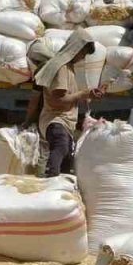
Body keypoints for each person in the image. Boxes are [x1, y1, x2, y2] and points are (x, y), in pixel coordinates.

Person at [25, 28, 104, 177]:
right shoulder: (61, 68)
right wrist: (83, 94)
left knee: (67, 161)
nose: (82, 58)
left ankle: (60, 192)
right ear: (76, 48)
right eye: (82, 53)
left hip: (63, 122)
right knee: (60, 147)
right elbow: (58, 100)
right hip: (56, 120)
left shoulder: (68, 68)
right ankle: (50, 181)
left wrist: (89, 94)